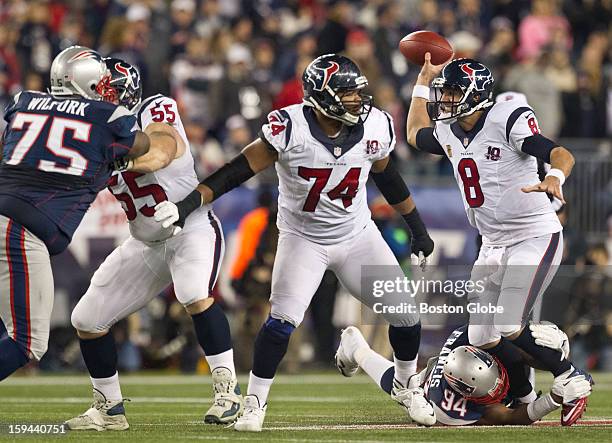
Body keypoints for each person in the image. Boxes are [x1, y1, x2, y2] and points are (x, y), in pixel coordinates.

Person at [155, 54, 437, 431]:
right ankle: (254, 404)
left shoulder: (374, 126)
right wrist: (187, 203)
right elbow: (237, 171)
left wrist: (417, 227)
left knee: (407, 315)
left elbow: (388, 177)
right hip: (303, 238)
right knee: (281, 322)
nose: (357, 101)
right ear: (322, 97)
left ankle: (407, 385)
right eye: (347, 94)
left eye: (357, 93)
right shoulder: (290, 127)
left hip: (357, 235)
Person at [406, 53, 592, 426]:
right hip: (493, 242)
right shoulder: (448, 128)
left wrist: (555, 176)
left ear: (476, 94)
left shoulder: (506, 119)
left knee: (508, 323)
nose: (443, 101)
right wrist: (422, 82)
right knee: (483, 334)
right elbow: (413, 133)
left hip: (533, 234)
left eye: (452, 92)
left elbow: (560, 152)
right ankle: (525, 398)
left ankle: (572, 375)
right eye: (443, 93)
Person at [65, 58, 241, 431]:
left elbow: (162, 150)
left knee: (193, 292)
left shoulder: (154, 108)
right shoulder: (93, 133)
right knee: (87, 319)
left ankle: (228, 393)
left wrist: (112, 163)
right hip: (145, 243)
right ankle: (109, 410)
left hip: (189, 227)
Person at [0, 46, 168, 382]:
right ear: (86, 83)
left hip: (9, 217)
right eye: (103, 83)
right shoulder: (107, 118)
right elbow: (142, 145)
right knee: (27, 342)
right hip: (18, 230)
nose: (108, 90)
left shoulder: (24, 102)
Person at [335, 324, 592, 426]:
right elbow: (508, 417)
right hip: (432, 392)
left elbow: (513, 348)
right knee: (401, 388)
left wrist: (553, 356)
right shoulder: (451, 410)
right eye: (492, 391)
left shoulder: (472, 337)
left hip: (460, 356)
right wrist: (552, 401)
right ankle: (358, 350)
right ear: (467, 394)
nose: (500, 391)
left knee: (525, 344)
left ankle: (357, 349)